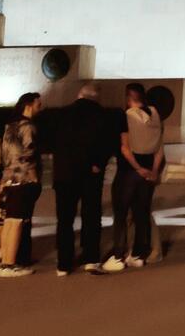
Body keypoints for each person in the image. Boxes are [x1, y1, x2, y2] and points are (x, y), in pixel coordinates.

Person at [43, 83, 116, 276]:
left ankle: (64, 264)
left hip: (65, 173)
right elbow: (108, 143)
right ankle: (91, 258)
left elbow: (51, 141)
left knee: (64, 220)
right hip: (90, 174)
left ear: (79, 95)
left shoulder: (61, 114)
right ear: (96, 97)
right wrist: (98, 163)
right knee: (91, 216)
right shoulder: (102, 115)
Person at [102, 83, 165, 272]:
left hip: (129, 170)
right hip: (150, 168)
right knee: (141, 213)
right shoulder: (155, 114)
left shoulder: (127, 116)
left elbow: (125, 148)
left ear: (128, 97)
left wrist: (138, 168)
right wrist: (153, 171)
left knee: (121, 214)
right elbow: (160, 149)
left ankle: (118, 255)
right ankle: (138, 254)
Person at [0, 92, 43, 278]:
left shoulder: (10, 126)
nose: (40, 107)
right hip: (24, 178)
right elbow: (29, 152)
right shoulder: (28, 127)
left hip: (9, 178)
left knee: (10, 221)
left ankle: (6, 260)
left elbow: (5, 154)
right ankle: (10, 264)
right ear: (29, 105)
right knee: (17, 222)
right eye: (38, 104)